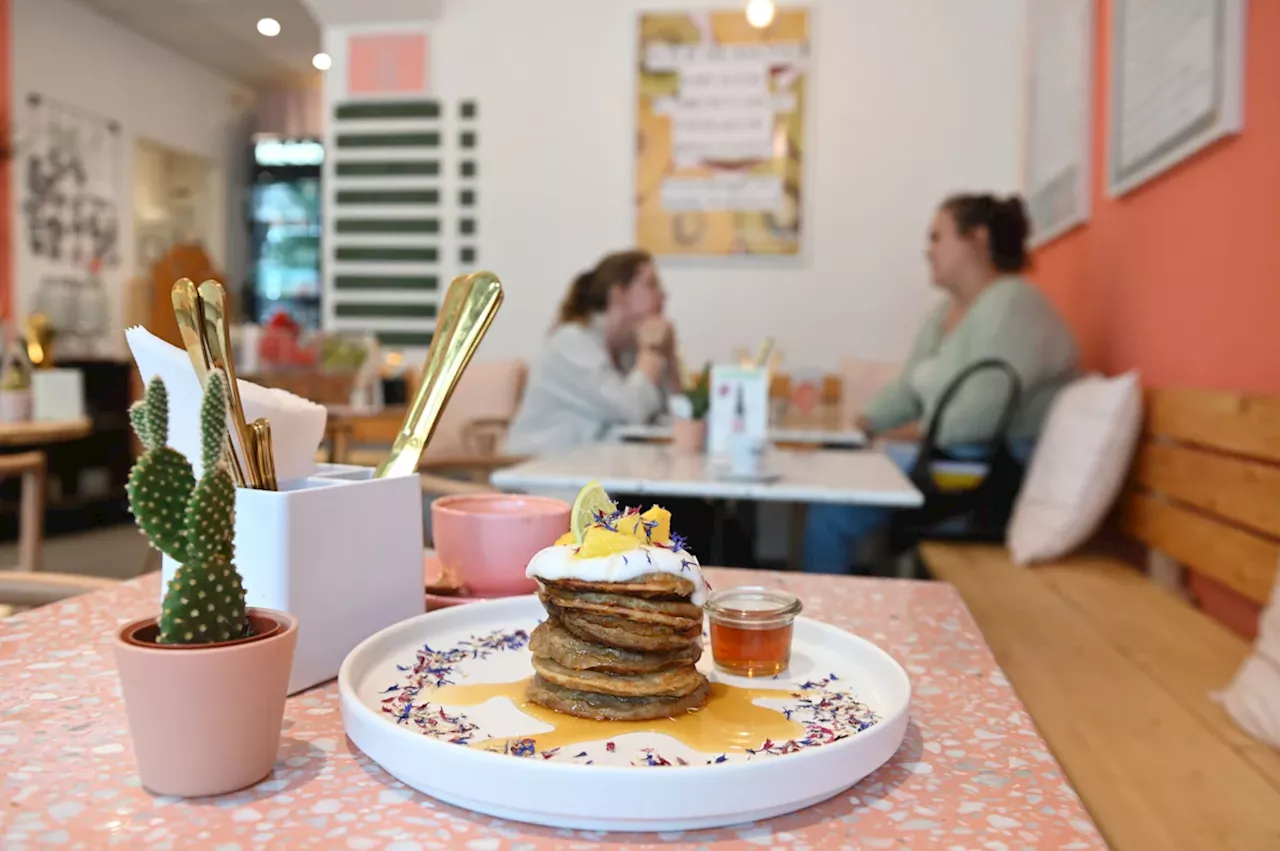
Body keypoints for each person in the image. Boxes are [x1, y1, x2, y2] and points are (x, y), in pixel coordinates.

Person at [802, 193, 1079, 574]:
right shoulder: (946, 313)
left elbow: (972, 421)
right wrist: (863, 423)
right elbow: (909, 388)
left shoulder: (1014, 304)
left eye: (937, 237)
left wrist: (908, 433)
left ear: (978, 240)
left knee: (834, 506)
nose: (927, 251)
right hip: (951, 460)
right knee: (834, 482)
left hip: (986, 474)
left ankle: (821, 618)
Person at [506, 249, 681, 456]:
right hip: (538, 472)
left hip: (590, 471)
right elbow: (633, 411)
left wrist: (669, 358)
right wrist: (651, 351)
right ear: (619, 294)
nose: (663, 295)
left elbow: (678, 419)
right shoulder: (571, 343)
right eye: (651, 285)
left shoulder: (627, 349)